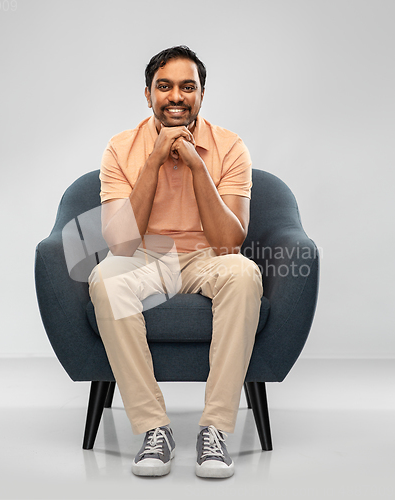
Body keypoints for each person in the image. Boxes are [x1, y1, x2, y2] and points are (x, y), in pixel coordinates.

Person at [88, 46, 263, 479]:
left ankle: (216, 430)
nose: (176, 97)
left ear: (202, 94)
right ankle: (153, 429)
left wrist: (196, 165)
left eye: (188, 87)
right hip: (145, 255)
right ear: (147, 95)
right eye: (164, 86)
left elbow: (229, 242)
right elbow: (121, 243)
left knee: (245, 274)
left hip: (209, 256)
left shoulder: (231, 147)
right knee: (106, 278)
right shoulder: (120, 148)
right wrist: (154, 159)